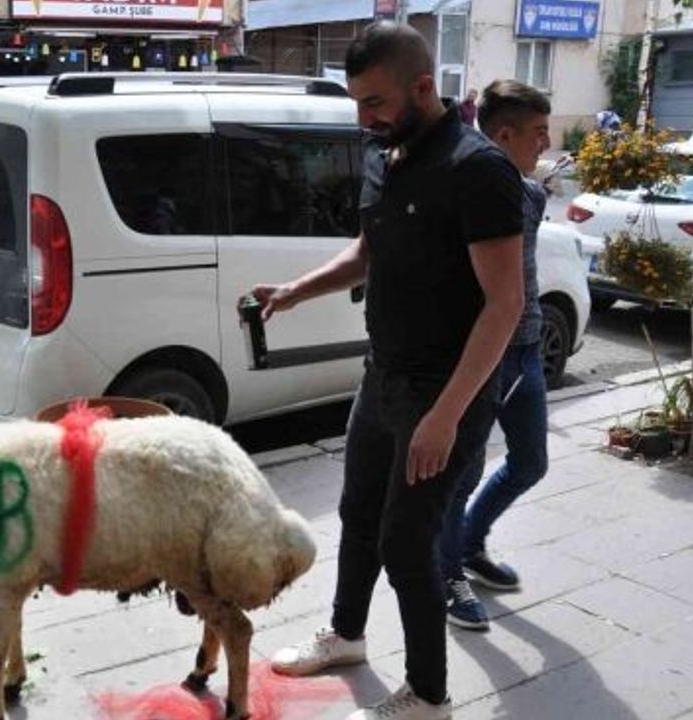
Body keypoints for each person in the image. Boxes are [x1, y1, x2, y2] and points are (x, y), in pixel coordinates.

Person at [261, 22, 525, 720]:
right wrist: (295, 290)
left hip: (446, 393)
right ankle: (347, 636)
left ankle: (429, 697)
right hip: (382, 377)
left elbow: (504, 304)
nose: (363, 118)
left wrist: (444, 417)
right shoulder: (390, 154)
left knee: (407, 545)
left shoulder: (477, 169)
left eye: (374, 101)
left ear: (422, 86)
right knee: (356, 514)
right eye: (356, 102)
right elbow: (366, 253)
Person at [436, 80, 551, 632]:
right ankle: (447, 570)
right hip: (486, 351)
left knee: (530, 461)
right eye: (537, 134)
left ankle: (471, 542)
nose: (546, 144)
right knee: (464, 469)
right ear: (504, 134)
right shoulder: (463, 186)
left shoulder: (532, 193)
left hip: (526, 347)